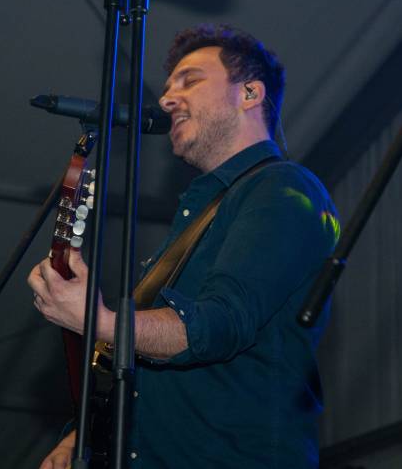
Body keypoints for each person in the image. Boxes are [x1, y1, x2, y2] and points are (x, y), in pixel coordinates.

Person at [28, 24, 340, 469]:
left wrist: (102, 321)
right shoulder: (200, 214)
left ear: (250, 93)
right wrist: (80, 436)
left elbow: (220, 323)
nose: (166, 99)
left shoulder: (282, 189)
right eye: (168, 87)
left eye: (189, 81)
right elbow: (143, 372)